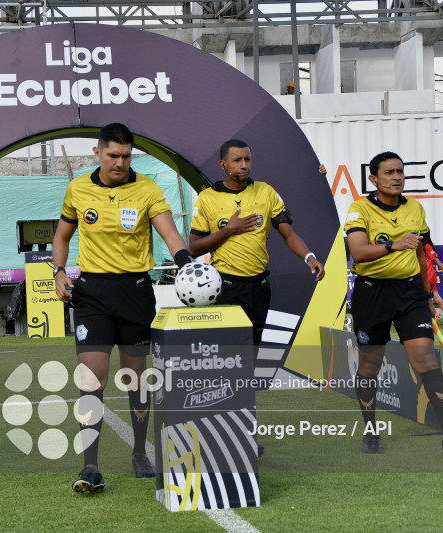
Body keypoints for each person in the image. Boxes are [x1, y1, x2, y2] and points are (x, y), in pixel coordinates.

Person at [53, 123, 191, 494]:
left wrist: (186, 262)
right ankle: (90, 465)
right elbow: (62, 236)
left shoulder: (146, 188)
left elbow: (170, 233)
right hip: (92, 294)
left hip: (135, 291)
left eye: (126, 156)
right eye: (113, 155)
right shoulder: (78, 188)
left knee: (137, 381)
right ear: (97, 153)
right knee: (92, 379)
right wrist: (58, 271)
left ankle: (139, 454)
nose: (120, 162)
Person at [344, 151, 443, 457]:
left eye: (400, 171)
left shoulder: (415, 209)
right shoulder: (359, 209)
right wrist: (393, 244)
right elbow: (359, 253)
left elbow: (419, 253)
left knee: (426, 360)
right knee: (369, 366)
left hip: (409, 294)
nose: (397, 176)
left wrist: (427, 296)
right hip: (371, 294)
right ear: (374, 179)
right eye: (389, 172)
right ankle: (371, 431)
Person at [189, 139, 325, 350]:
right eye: (237, 160)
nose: (244, 165)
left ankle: (249, 384)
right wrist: (228, 230)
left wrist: (309, 257)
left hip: (259, 286)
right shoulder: (207, 198)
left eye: (247, 159)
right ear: (223, 165)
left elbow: (288, 234)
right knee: (230, 350)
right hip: (225, 285)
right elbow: (194, 248)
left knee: (254, 346)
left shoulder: (265, 192)